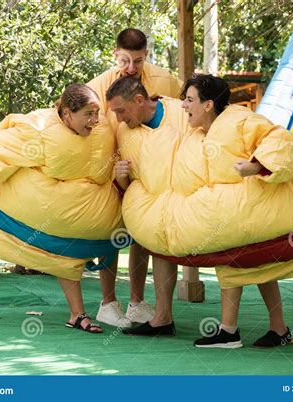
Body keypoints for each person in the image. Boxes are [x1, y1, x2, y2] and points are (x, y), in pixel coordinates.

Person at [110, 75, 293, 361]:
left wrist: (258, 166)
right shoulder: (197, 133)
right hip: (247, 217)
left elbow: (278, 138)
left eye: (189, 100)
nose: (183, 106)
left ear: (208, 104)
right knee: (247, 264)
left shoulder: (237, 119)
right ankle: (258, 330)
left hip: (288, 210)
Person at [107, 76, 291, 346]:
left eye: (121, 111)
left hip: (210, 196)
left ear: (139, 100)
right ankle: (163, 318)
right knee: (161, 244)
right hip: (165, 204)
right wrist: (120, 177)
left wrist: (254, 166)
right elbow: (131, 178)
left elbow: (223, 132)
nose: (120, 119)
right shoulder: (126, 134)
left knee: (250, 254)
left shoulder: (179, 111)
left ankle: (269, 327)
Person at [0, 84, 123, 334]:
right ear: (66, 114)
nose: (95, 120)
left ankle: (77, 314)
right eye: (88, 113)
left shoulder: (102, 129)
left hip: (60, 223)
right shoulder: (40, 128)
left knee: (64, 256)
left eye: (97, 112)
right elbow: (0, 148)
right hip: (8, 210)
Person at [87, 28, 183, 328]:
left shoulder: (166, 80)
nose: (131, 68)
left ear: (147, 56)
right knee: (111, 233)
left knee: (144, 233)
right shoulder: (98, 86)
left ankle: (138, 302)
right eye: (126, 60)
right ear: (116, 55)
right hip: (111, 165)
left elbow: (181, 114)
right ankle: (107, 302)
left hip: (148, 168)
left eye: (138, 61)